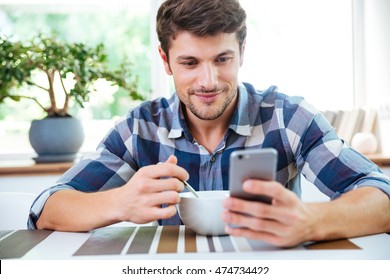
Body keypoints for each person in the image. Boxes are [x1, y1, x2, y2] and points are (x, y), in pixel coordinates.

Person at [29, 0, 390, 247]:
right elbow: (47, 208)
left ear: (242, 53)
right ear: (165, 60)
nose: (209, 81)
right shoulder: (141, 128)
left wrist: (311, 220)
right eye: (189, 63)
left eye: (222, 59)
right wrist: (119, 203)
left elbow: (381, 195)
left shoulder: (287, 118)